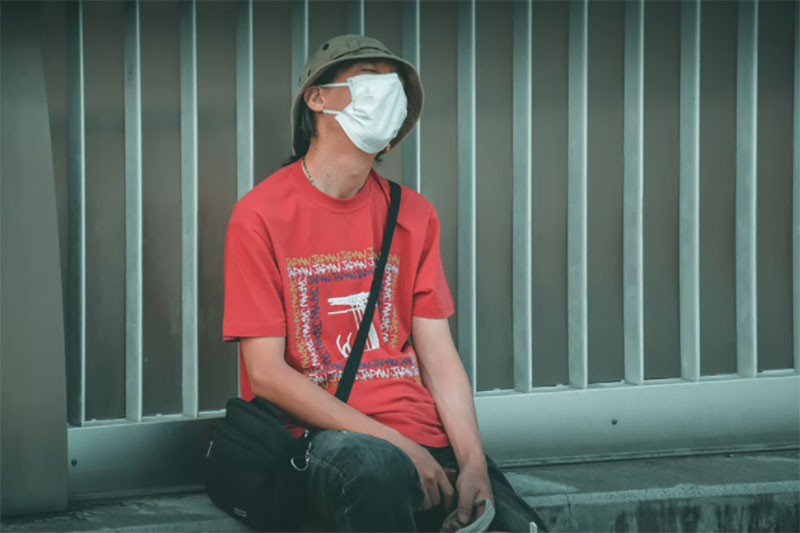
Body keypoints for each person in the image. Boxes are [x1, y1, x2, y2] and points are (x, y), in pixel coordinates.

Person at [222, 34, 547, 533]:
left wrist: (474, 462)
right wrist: (396, 446)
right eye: (368, 76)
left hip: (425, 438)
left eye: (393, 83)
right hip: (325, 440)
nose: (386, 90)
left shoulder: (413, 214)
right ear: (317, 98)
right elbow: (265, 374)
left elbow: (439, 360)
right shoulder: (259, 216)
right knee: (376, 472)